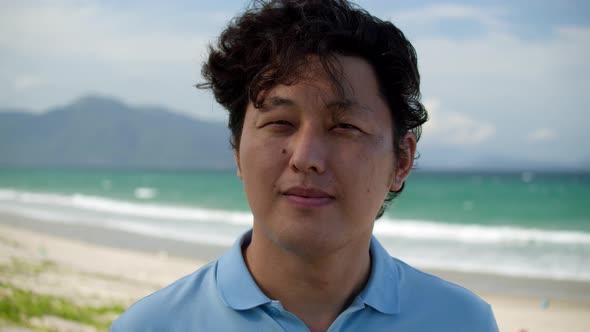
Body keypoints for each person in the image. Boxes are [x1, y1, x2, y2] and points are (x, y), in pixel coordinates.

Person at [111, 0, 499, 331]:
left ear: (401, 160)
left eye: (345, 126)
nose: (306, 158)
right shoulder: (151, 325)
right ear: (236, 150)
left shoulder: (462, 320)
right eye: (280, 123)